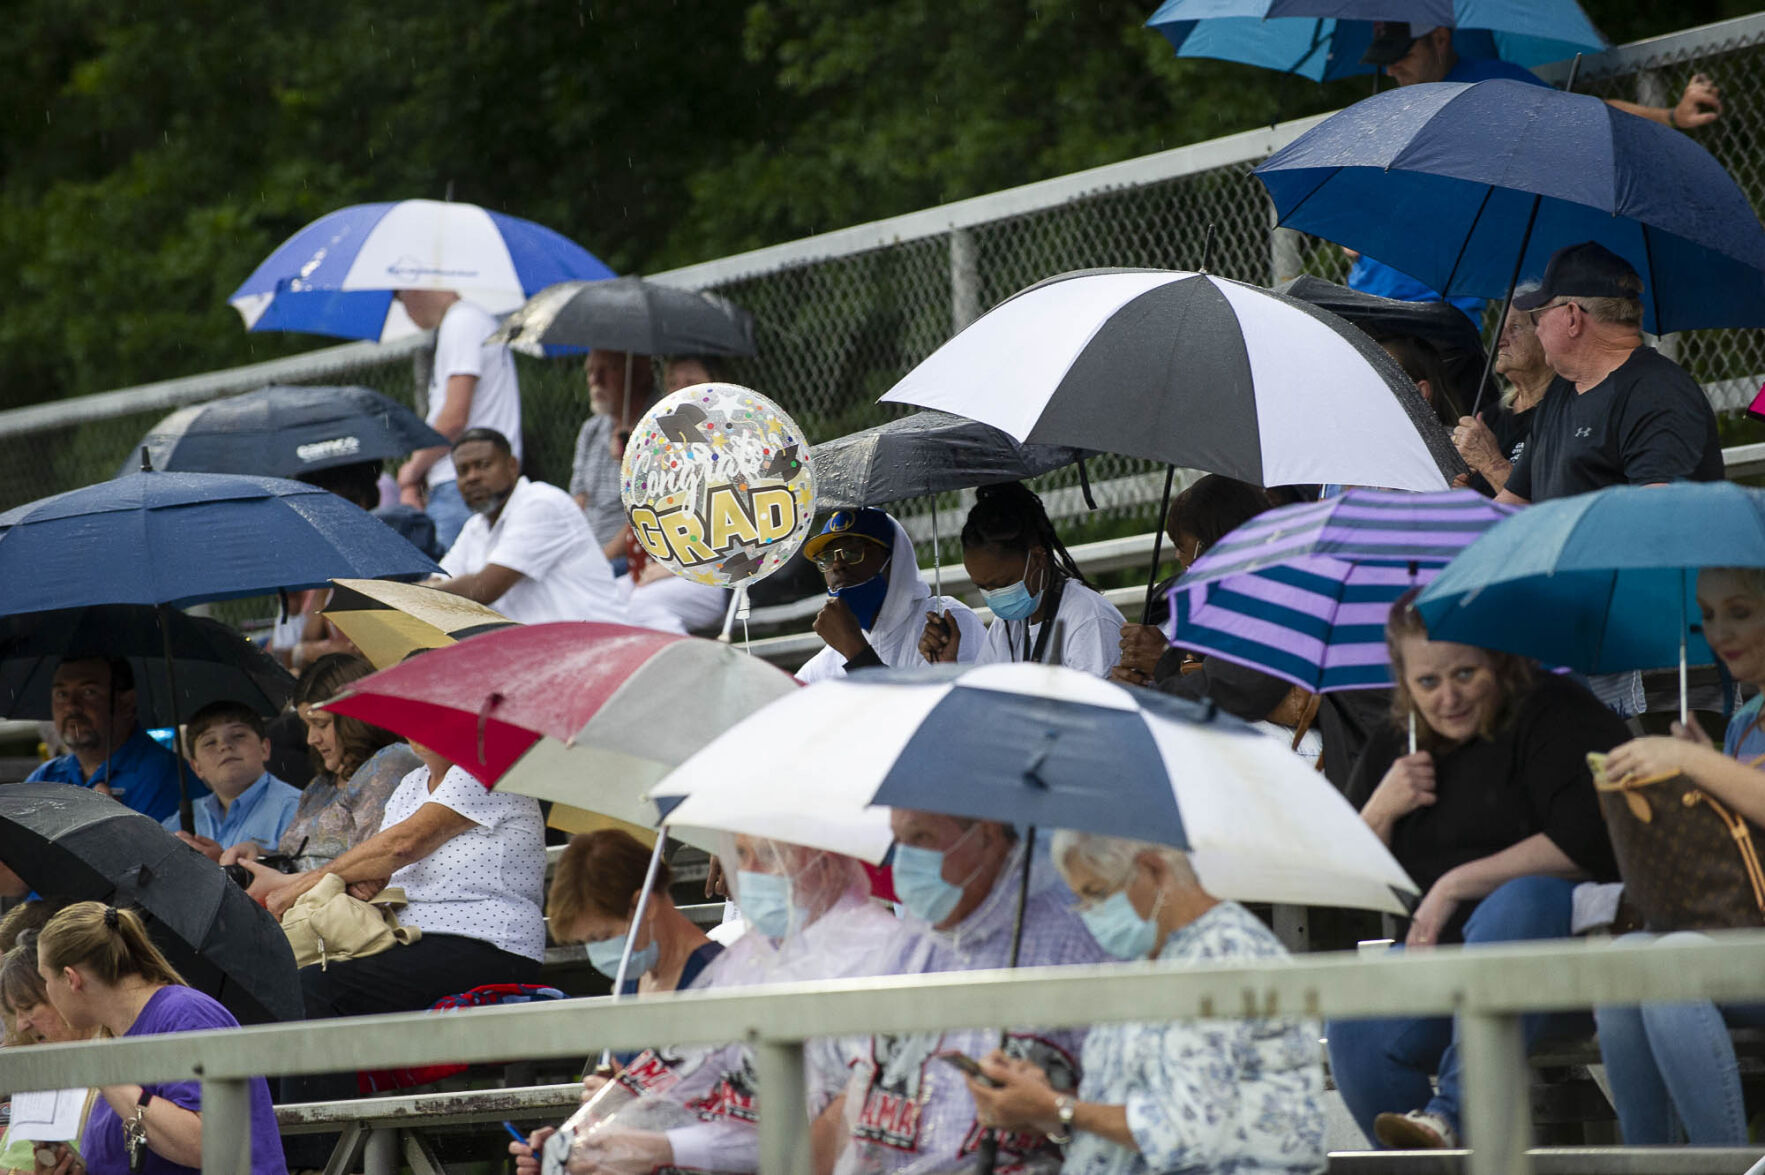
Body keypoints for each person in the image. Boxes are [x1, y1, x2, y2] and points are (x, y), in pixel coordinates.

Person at [1328, 591, 1627, 1150]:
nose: (1448, 698)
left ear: (1498, 659)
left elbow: (1587, 840)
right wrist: (1381, 808)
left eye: (1465, 674)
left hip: (1564, 963)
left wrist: (1454, 885)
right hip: (1447, 969)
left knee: (1523, 898)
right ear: (1404, 681)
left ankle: (1448, 1120)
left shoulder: (1552, 710)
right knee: (1356, 1020)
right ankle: (1421, 1165)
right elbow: (1344, 876)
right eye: (1427, 683)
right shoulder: (1400, 742)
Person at [515, 836, 908, 1175]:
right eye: (738, 852)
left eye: (766, 854)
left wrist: (651, 1143)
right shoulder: (742, 964)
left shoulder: (881, 950)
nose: (746, 871)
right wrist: (572, 1145)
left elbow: (767, 1122)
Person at [966, 831, 1326, 1175]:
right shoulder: (1148, 960)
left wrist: (1059, 1108)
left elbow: (1185, 1129)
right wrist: (1044, 1106)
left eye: (1099, 894)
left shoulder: (1223, 955)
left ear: (1154, 870)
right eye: (1083, 900)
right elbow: (1126, 1106)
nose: (1092, 914)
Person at [1348, 24, 1720, 317]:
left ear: (1440, 39)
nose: (1391, 67)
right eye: (1384, 56)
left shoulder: (1492, 86)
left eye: (1402, 54)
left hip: (1437, 311)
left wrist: (1671, 116)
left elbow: (1586, 116)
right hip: (1368, 295)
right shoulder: (1394, 106)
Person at [816, 809, 1107, 1175]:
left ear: (986, 835)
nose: (904, 859)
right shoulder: (915, 941)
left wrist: (1050, 1109)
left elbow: (1114, 1113)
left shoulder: (1076, 943)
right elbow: (853, 1091)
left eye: (921, 838)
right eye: (899, 840)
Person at [269, 739, 545, 1119]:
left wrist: (303, 885)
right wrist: (364, 881)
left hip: (490, 944)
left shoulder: (485, 772)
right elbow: (382, 862)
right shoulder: (412, 783)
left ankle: (314, 1150)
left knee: (314, 989)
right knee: (280, 985)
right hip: (408, 939)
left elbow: (402, 845)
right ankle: (278, 1142)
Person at [1591, 566, 1765, 1145]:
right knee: (1626, 961)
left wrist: (1694, 763)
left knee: (1672, 964)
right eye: (1708, 616)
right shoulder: (1744, 720)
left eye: (1739, 611)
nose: (1720, 633)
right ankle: (1653, 1162)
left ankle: (1723, 1166)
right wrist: (1698, 775)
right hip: (1745, 931)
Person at [33, 902, 285, 1175]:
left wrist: (104, 1072)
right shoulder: (124, 1038)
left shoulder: (185, 1015)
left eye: (44, 978)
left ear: (71, 978)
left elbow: (209, 1144)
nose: (46, 991)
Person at [1498, 242, 1724, 507]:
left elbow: (1661, 515)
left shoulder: (1658, 393)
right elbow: (1514, 503)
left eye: (1538, 316)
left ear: (1571, 316)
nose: (1537, 330)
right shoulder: (1561, 391)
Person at [222, 653, 420, 875]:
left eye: (321, 724)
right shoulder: (321, 785)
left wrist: (288, 884)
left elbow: (373, 867)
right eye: (307, 726)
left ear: (356, 718)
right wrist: (261, 855)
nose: (311, 739)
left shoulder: (390, 763)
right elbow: (302, 859)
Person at [920, 482, 1123, 678]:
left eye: (1002, 584)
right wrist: (946, 666)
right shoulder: (1006, 626)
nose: (994, 597)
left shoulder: (1088, 620)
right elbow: (986, 707)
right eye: (983, 588)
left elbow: (1097, 711)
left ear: (1037, 558)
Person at [434, 428, 628, 625]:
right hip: (537, 646)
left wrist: (418, 595)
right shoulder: (475, 526)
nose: (472, 477)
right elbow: (439, 580)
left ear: (512, 466)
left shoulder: (541, 503)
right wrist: (422, 594)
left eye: (483, 465)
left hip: (595, 641)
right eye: (462, 471)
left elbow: (484, 588)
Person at [394, 289, 522, 549]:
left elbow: (454, 418)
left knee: (448, 585)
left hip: (461, 481)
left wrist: (411, 471)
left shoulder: (462, 321)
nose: (403, 308)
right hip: (472, 479)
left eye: (398, 297)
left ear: (411, 288)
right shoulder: (469, 320)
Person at [798, 508, 983, 683]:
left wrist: (855, 651)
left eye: (853, 552)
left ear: (895, 560)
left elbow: (949, 711)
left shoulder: (943, 623)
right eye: (827, 558)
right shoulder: (822, 665)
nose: (837, 565)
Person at [25, 657, 205, 825]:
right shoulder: (45, 778)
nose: (71, 706)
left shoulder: (168, 776)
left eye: (89, 692)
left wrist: (112, 828)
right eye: (61, 694)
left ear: (127, 702)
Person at [547, 828, 723, 995]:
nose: (598, 954)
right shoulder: (632, 979)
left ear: (645, 905)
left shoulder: (723, 978)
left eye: (603, 937)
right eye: (586, 942)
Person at [165, 702, 300, 861]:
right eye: (210, 742)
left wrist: (221, 867)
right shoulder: (184, 819)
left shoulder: (296, 810)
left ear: (265, 748)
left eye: (238, 736)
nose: (224, 746)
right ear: (196, 767)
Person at [1451, 294, 1553, 496]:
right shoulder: (1489, 416)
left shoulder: (1561, 415)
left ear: (1548, 336)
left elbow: (1542, 506)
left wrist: (1491, 463)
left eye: (1515, 328)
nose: (1500, 339)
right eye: (1501, 327)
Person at [571, 349, 659, 551]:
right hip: (587, 550)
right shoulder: (591, 429)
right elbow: (578, 499)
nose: (595, 380)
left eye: (607, 370)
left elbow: (648, 512)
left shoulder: (657, 425)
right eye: (590, 371)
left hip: (630, 555)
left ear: (638, 374)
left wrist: (602, 561)